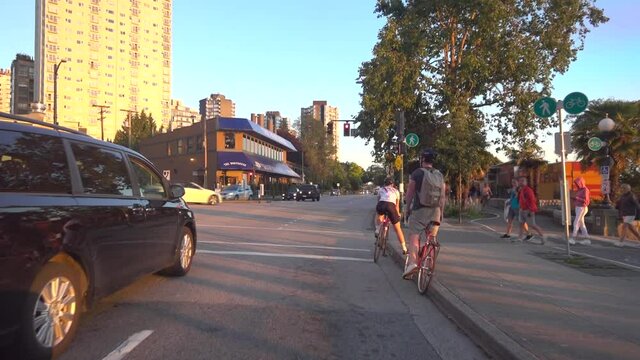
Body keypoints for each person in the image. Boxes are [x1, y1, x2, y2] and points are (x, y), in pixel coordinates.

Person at [403, 149, 446, 279]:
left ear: (422, 160)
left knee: (414, 237)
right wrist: (441, 212)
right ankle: (429, 266)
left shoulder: (417, 173)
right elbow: (443, 196)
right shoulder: (439, 175)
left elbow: (410, 193)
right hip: (435, 211)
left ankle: (413, 263)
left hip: (419, 210)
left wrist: (407, 208)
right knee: (431, 238)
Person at [375, 178, 408, 254]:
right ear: (392, 184)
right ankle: (404, 248)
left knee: (379, 213)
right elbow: (396, 206)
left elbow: (378, 200)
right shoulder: (396, 191)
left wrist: (379, 209)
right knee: (397, 229)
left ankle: (377, 228)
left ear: (385, 184)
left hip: (381, 204)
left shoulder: (381, 189)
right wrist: (398, 214)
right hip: (391, 206)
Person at [517, 176, 547, 244]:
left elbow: (532, 200)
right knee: (521, 224)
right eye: (520, 181)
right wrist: (520, 207)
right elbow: (521, 199)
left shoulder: (528, 190)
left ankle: (542, 236)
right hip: (522, 209)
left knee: (532, 225)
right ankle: (519, 238)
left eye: (523, 181)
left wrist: (531, 210)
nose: (521, 182)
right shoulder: (521, 190)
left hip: (528, 210)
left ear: (526, 182)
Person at [570, 177, 591, 245]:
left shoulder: (585, 190)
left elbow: (586, 201)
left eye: (577, 183)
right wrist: (575, 199)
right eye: (576, 183)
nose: (576, 185)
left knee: (576, 222)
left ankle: (573, 238)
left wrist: (577, 198)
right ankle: (586, 238)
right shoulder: (579, 190)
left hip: (582, 207)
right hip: (579, 207)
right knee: (581, 223)